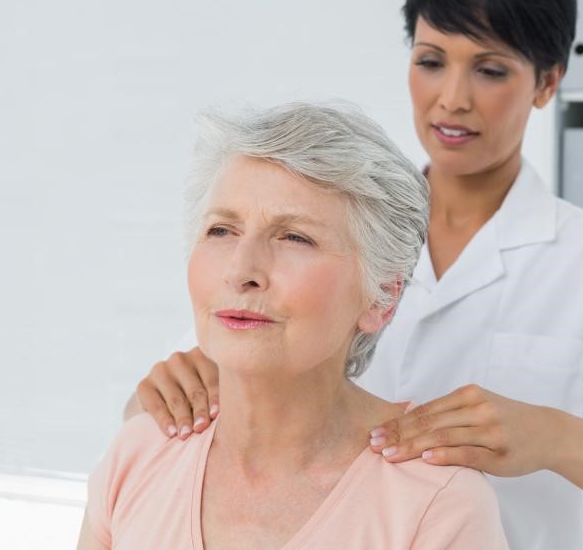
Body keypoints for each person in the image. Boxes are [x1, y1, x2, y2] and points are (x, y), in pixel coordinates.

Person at [128, 0, 583, 549]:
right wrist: (165, 392)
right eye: (431, 61)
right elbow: (172, 420)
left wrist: (551, 437)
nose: (452, 98)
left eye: (490, 69)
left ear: (547, 82)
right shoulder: (327, 225)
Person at [78, 103, 508, 549]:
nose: (241, 270)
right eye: (221, 231)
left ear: (382, 296)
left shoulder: (437, 504)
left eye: (294, 238)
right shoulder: (136, 455)